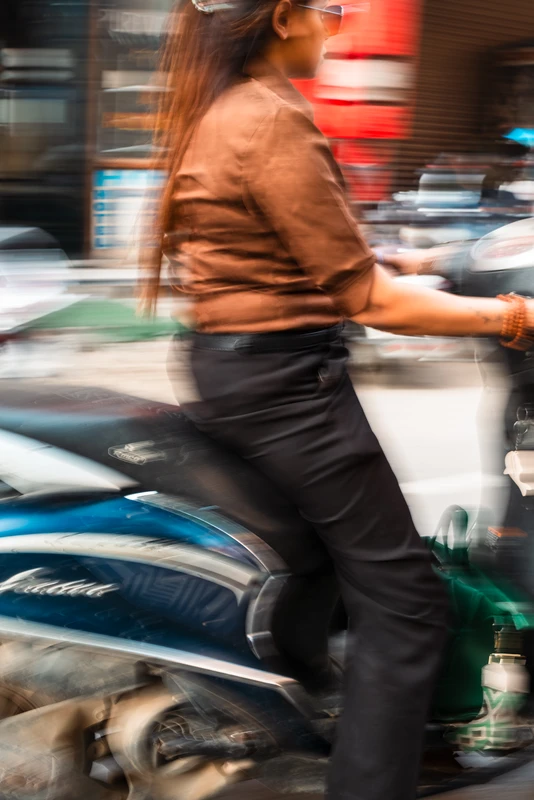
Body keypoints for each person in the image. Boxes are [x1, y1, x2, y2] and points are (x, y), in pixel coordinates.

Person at [139, 1, 534, 798]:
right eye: (331, 10)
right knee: (408, 601)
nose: (337, 27)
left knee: (324, 561)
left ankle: (326, 721)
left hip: (233, 371)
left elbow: (290, 246)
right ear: (284, 17)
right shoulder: (271, 115)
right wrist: (515, 316)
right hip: (290, 391)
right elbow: (372, 303)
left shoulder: (217, 106)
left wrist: (409, 255)